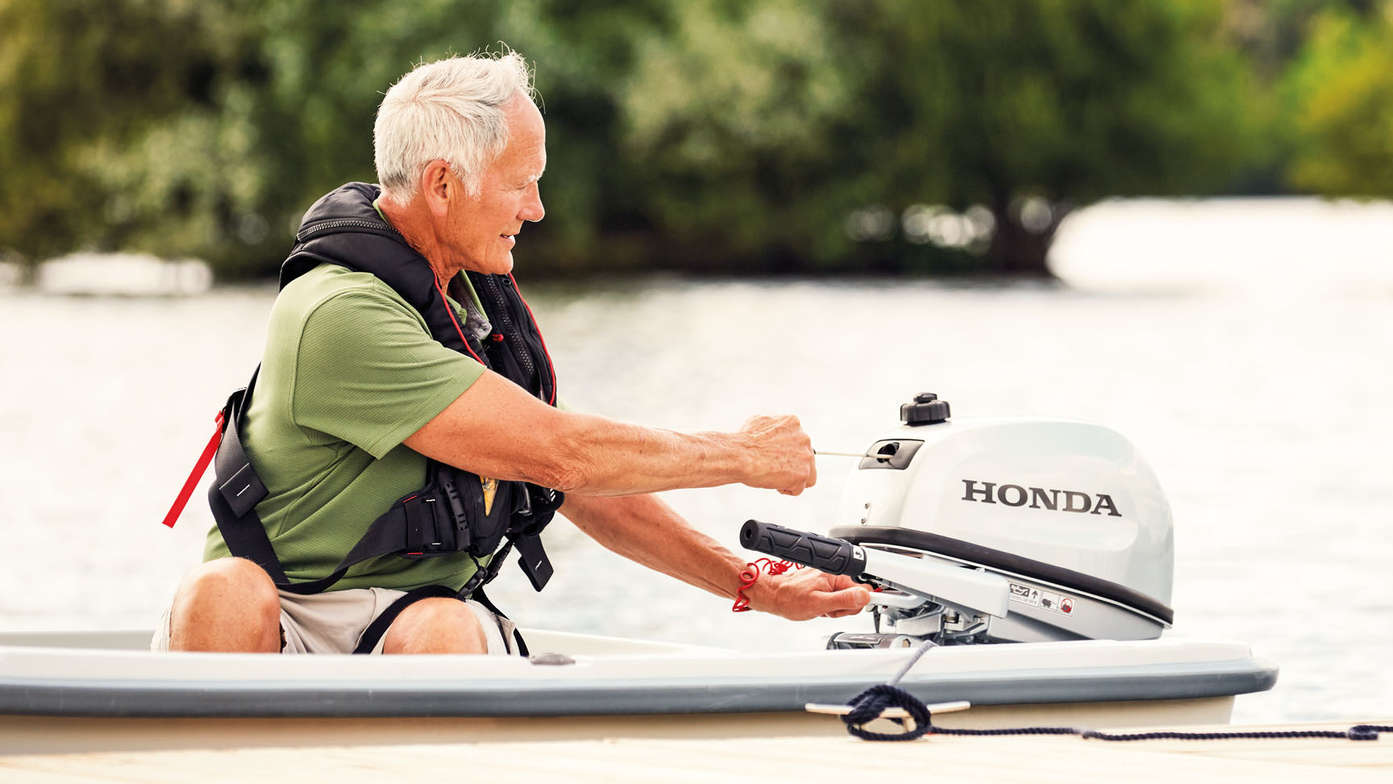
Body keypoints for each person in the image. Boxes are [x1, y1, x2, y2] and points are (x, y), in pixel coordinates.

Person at [155, 51, 869, 656]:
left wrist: (760, 587)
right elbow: (564, 454)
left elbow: (575, 487)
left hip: (416, 619)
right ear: (441, 185)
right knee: (225, 589)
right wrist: (741, 455)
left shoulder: (465, 304)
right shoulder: (337, 312)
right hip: (281, 613)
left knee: (442, 627)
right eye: (521, 183)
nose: (536, 209)